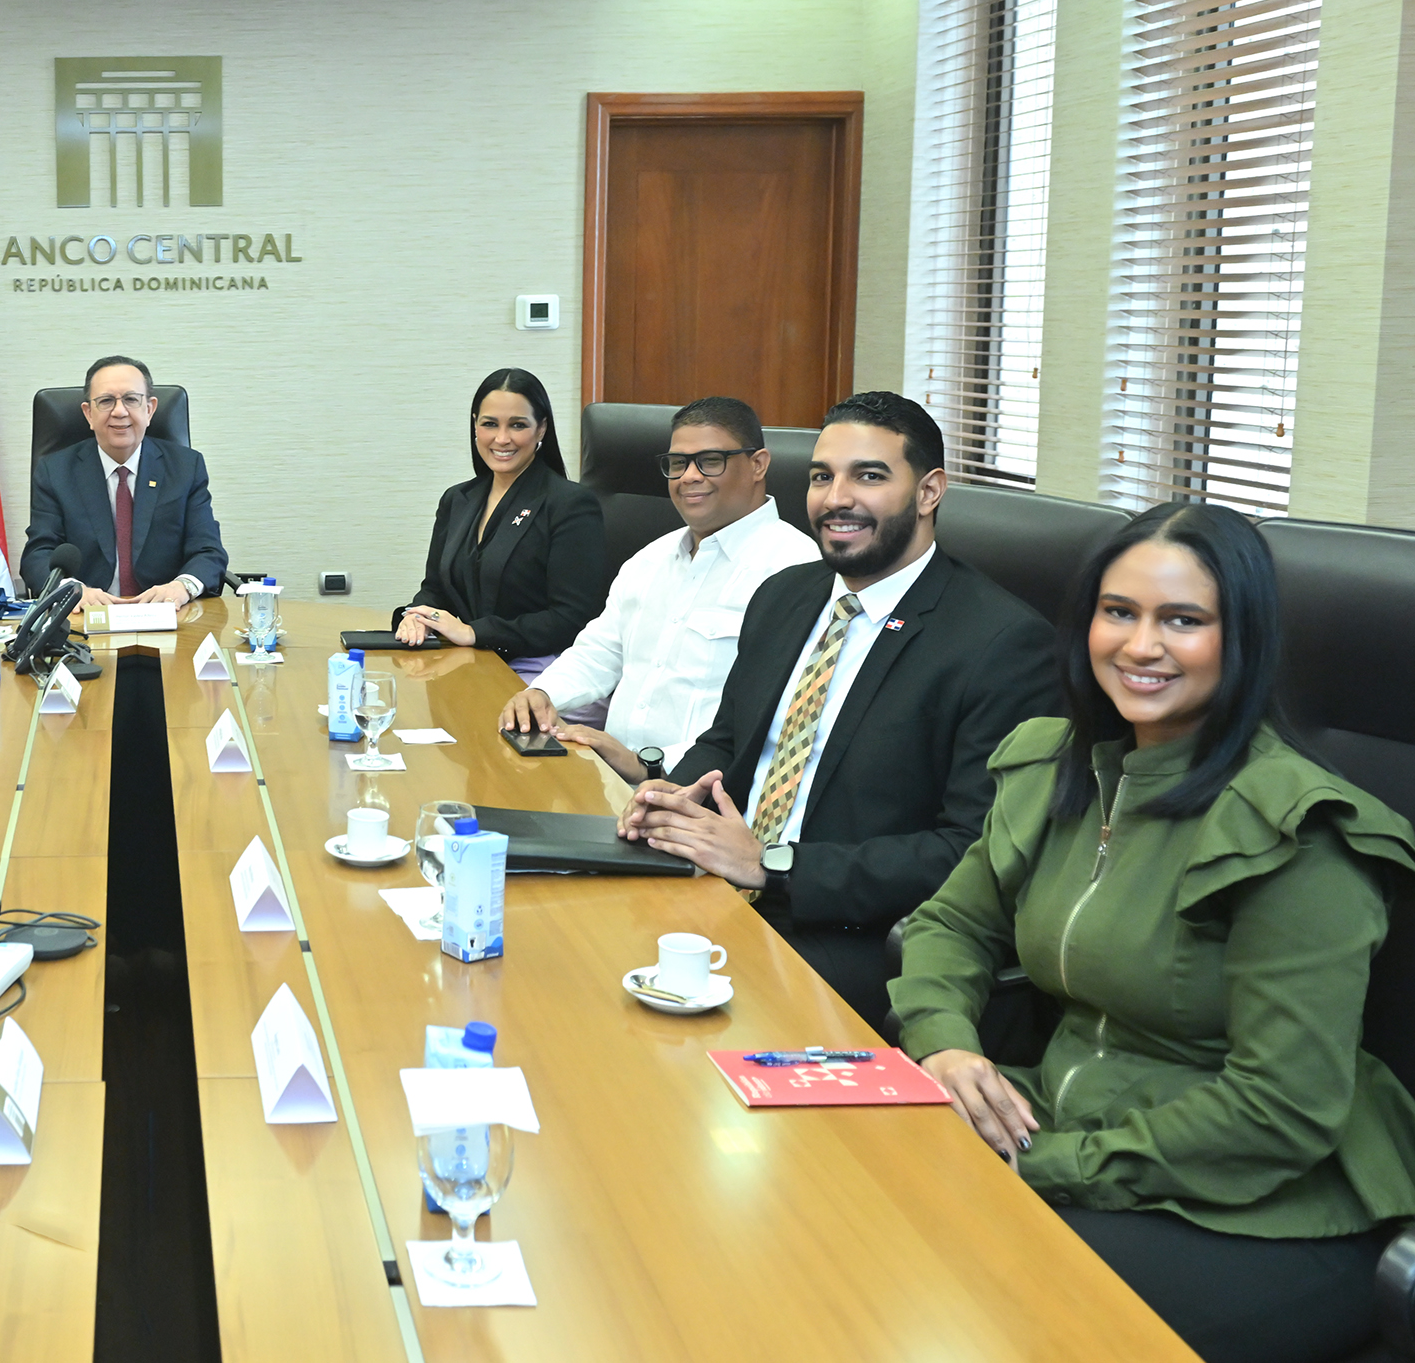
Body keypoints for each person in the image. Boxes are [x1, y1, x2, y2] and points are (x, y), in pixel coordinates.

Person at [891, 502, 1415, 1363]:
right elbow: (952, 921)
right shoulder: (1057, 766)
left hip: (1262, 1201)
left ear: (1241, 638)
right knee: (851, 1198)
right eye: (1119, 611)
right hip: (1069, 1120)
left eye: (1183, 619)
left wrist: (1052, 1163)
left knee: (982, 1301)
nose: (1141, 645)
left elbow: (1280, 1110)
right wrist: (945, 1044)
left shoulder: (1297, 832)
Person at [619, 391, 1058, 1028]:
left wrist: (772, 865)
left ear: (929, 491)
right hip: (716, 887)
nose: (835, 499)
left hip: (849, 932)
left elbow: (970, 851)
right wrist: (672, 800)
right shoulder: (783, 596)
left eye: (869, 476)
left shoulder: (1001, 644)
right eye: (822, 477)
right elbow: (731, 738)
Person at [501, 396, 816, 775]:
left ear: (758, 464)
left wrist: (645, 766)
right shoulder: (649, 559)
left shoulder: (796, 570)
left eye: (710, 461)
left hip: (702, 791)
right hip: (608, 779)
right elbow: (599, 653)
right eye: (678, 463)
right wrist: (542, 693)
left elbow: (776, 719)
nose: (689, 477)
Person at [392, 369, 607, 672]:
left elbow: (572, 618)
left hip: (543, 666)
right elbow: (436, 589)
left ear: (541, 429)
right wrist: (418, 616)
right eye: (490, 424)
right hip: (468, 661)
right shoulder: (457, 499)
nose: (502, 439)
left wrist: (475, 633)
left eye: (518, 425)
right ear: (475, 426)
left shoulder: (569, 504)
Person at [18, 355, 227, 606]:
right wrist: (70, 591)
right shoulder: (55, 471)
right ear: (88, 414)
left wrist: (182, 587)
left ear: (149, 409)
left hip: (167, 612)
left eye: (131, 399)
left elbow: (208, 551)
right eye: (106, 401)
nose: (119, 411)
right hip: (86, 615)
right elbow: (38, 555)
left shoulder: (185, 467)